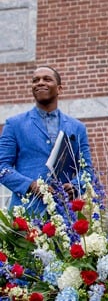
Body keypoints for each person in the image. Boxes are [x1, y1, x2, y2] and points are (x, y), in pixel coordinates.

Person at [0, 66, 94, 215]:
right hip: (26, 215)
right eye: (35, 80)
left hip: (64, 218)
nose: (40, 83)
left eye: (47, 79)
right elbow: (2, 167)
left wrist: (75, 186)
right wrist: (30, 185)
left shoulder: (77, 128)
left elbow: (87, 170)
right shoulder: (14, 124)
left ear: (59, 89)